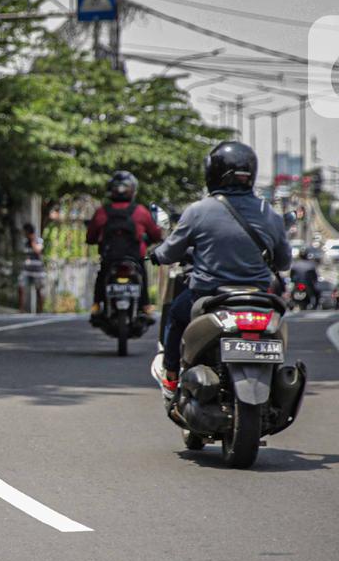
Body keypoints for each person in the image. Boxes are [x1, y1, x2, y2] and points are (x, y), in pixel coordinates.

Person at [150, 142, 291, 398]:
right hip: (258, 299)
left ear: (213, 173)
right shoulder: (270, 213)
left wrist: (155, 255)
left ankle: (171, 376)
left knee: (175, 316)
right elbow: (283, 263)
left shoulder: (199, 211)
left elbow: (169, 252)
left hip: (208, 297)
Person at [87, 171, 163, 325]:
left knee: (101, 276)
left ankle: (96, 306)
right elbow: (155, 234)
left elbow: (90, 237)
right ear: (133, 190)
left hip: (110, 259)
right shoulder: (140, 211)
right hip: (134, 258)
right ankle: (146, 305)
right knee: (142, 274)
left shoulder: (102, 212)